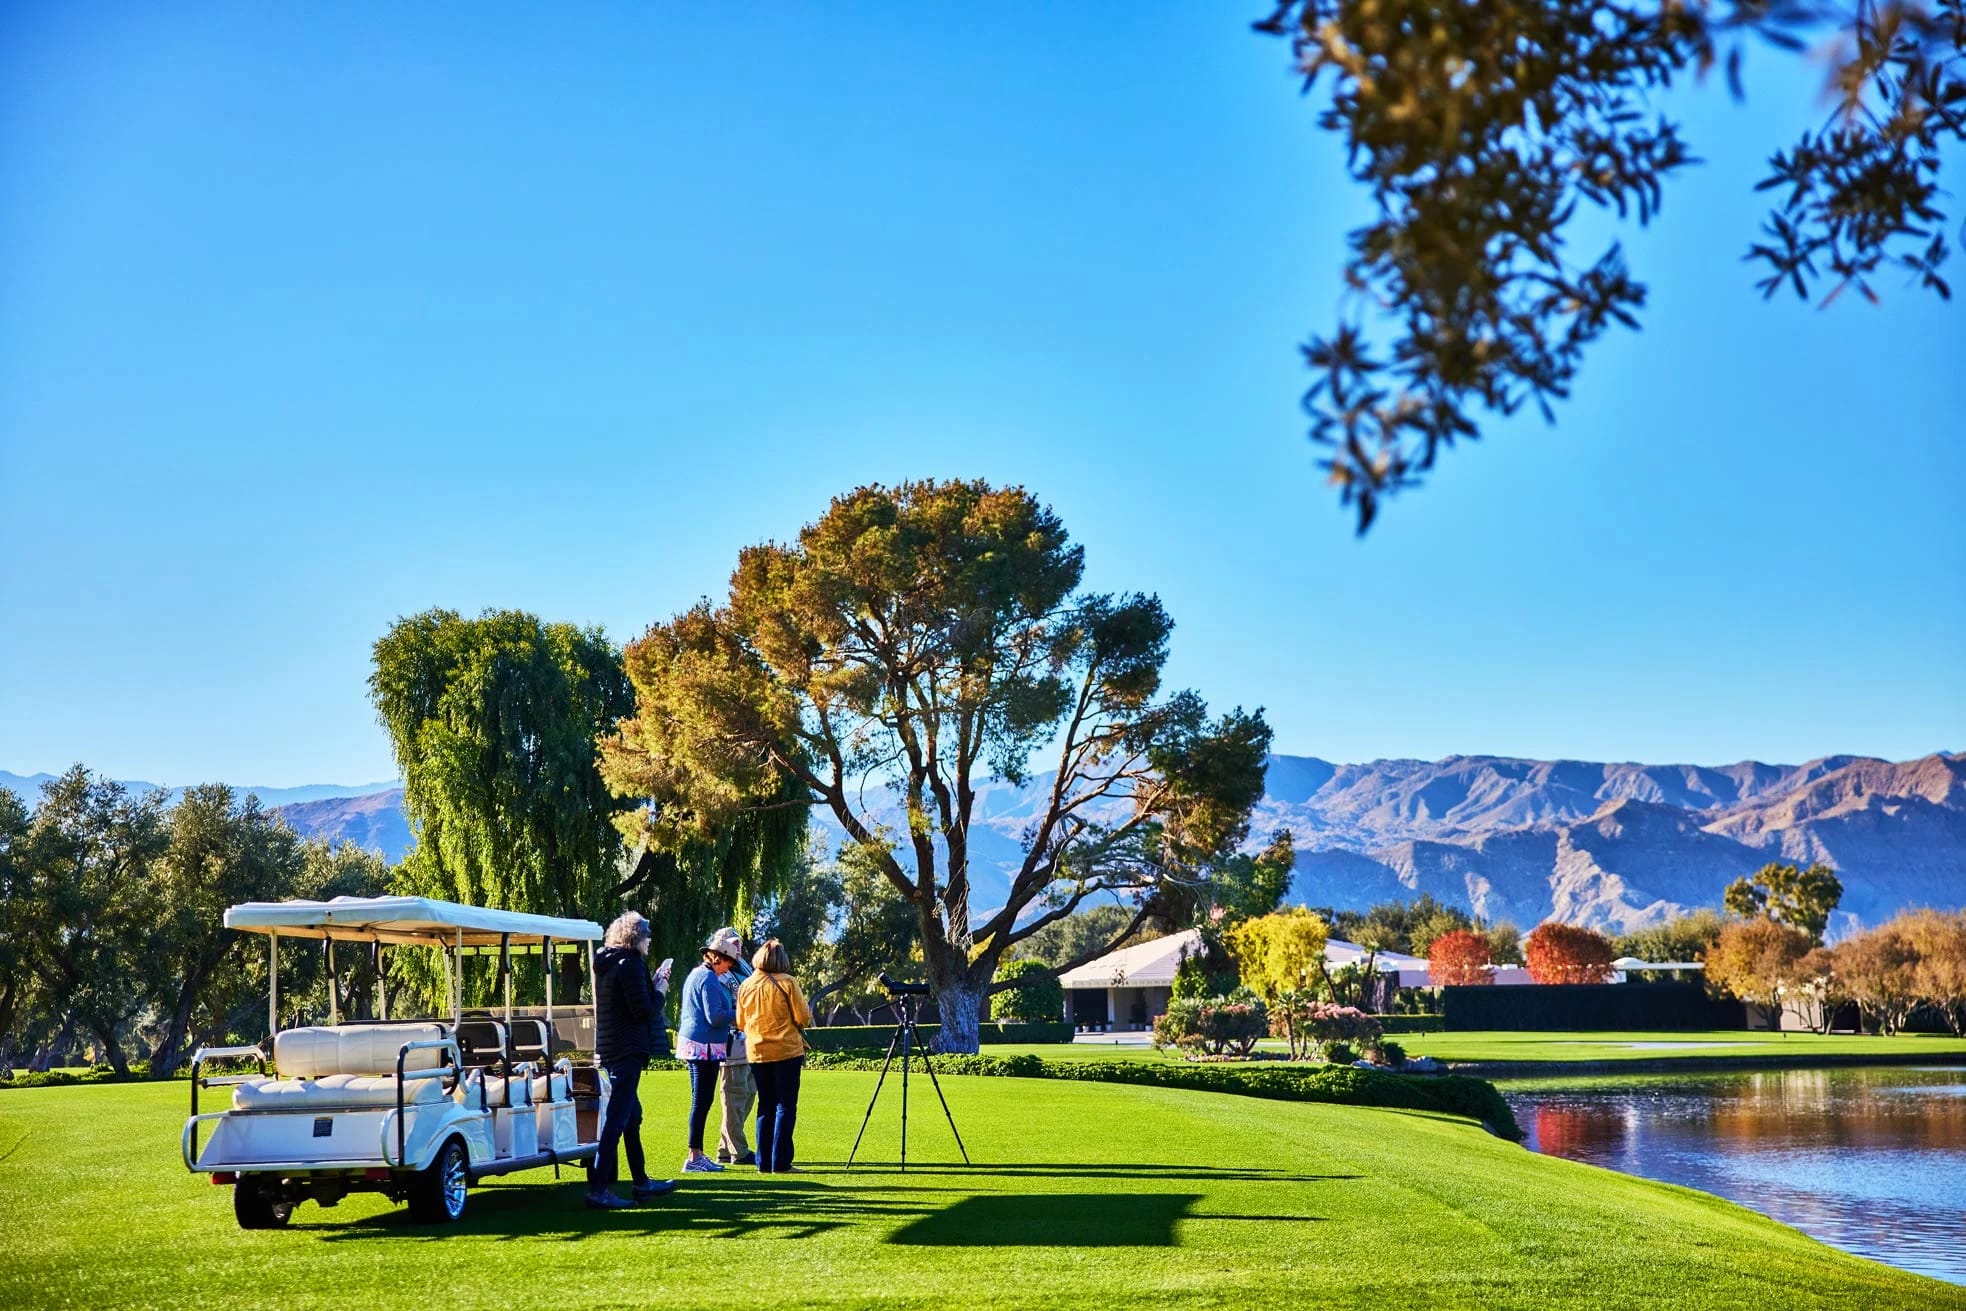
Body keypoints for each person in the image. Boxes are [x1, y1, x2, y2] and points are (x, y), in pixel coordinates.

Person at [588, 911, 677, 1209]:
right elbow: (644, 1011)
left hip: (611, 1047)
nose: (649, 941)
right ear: (636, 938)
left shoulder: (607, 963)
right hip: (628, 1049)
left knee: (631, 1117)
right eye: (646, 936)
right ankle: (599, 1189)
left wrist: (651, 984)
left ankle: (641, 1181)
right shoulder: (632, 964)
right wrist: (661, 988)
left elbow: (628, 1003)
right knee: (617, 1119)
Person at [735, 937, 811, 1174]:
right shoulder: (788, 982)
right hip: (786, 1050)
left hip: (757, 1052)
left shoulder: (746, 985)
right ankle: (781, 1162)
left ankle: (763, 1162)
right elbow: (803, 1017)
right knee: (785, 1105)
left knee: (765, 1105)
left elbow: (740, 1022)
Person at [677, 929, 741, 1172]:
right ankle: (694, 1156)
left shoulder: (696, 974)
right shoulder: (709, 979)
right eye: (728, 963)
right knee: (701, 1102)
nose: (728, 968)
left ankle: (696, 1154)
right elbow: (714, 1016)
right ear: (718, 958)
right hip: (705, 1047)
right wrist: (740, 1014)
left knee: (700, 1101)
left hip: (695, 1044)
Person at [708, 927, 758, 1166]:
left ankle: (724, 1148)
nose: (738, 947)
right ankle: (739, 1150)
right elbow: (723, 1009)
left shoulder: (743, 966)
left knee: (748, 1093)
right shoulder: (720, 972)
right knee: (734, 1096)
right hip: (731, 1041)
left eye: (738, 942)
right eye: (732, 943)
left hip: (750, 1038)